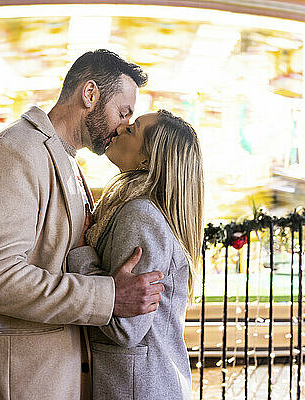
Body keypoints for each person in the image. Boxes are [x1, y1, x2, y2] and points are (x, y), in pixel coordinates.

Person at [0, 49, 165, 400]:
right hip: (19, 382)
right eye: (123, 111)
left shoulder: (67, 160)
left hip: (53, 376)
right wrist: (109, 296)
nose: (124, 125)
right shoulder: (14, 151)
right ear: (90, 94)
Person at [67, 110, 204, 399]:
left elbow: (126, 328)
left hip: (135, 388)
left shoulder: (140, 214)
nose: (121, 128)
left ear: (146, 159)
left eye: (133, 129)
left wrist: (82, 254)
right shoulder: (138, 209)